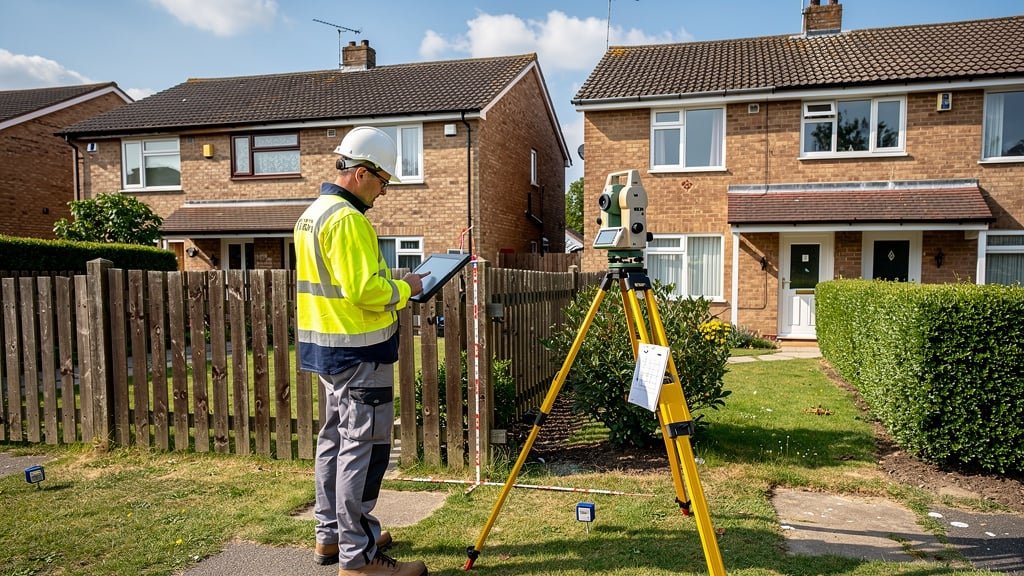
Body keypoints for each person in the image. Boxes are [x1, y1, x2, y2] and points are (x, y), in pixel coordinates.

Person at [294, 126, 429, 576]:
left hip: (328, 351)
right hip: (360, 352)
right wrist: (405, 287)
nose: (384, 191)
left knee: (334, 441)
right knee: (365, 450)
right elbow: (364, 291)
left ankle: (333, 537)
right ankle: (360, 557)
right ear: (362, 172)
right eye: (383, 181)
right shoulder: (349, 220)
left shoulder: (313, 213)